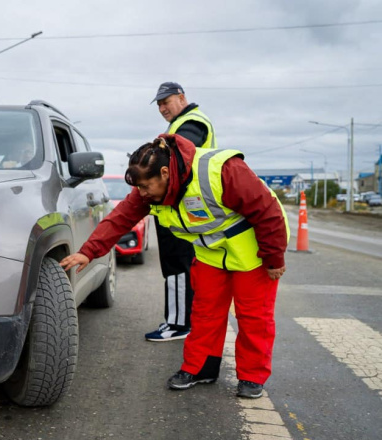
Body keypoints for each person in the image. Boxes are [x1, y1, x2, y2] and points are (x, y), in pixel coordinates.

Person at [59, 134, 288, 398]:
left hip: (254, 255)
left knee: (253, 317)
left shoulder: (223, 170)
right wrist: (88, 252)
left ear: (165, 173)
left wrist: (274, 259)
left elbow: (267, 212)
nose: (142, 194)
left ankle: (251, 377)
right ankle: (200, 368)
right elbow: (119, 219)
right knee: (204, 314)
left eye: (146, 187)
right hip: (211, 255)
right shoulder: (151, 189)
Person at [146, 82, 216, 342]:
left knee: (176, 265)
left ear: (182, 97)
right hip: (183, 204)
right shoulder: (180, 123)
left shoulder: (192, 122)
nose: (163, 108)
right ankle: (184, 320)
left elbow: (175, 154)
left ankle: (178, 324)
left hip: (180, 206)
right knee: (181, 264)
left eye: (167, 102)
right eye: (159, 104)